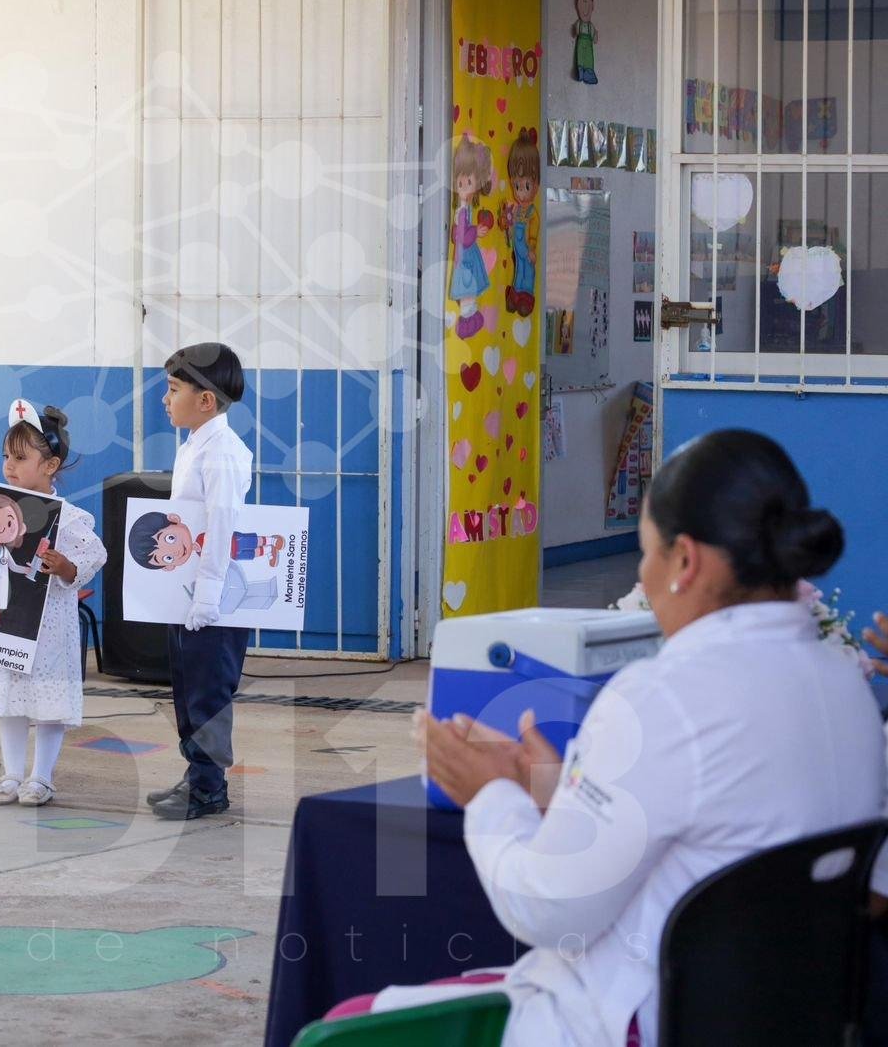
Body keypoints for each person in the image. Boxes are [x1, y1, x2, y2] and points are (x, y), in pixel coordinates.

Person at [341, 430, 884, 1047]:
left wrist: (490, 795)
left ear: (685, 562)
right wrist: (554, 789)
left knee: (345, 1027)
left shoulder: (663, 696)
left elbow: (546, 909)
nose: (642, 576)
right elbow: (711, 825)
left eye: (645, 553)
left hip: (638, 1019)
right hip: (785, 1018)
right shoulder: (844, 683)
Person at [0, 401, 106, 808]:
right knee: (10, 699)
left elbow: (94, 556)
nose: (9, 465)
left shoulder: (68, 517)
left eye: (20, 458)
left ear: (50, 465)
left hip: (49, 628)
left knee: (48, 701)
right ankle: (12, 773)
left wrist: (66, 567)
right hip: (10, 625)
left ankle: (41, 776)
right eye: (7, 456)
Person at [145, 342, 253, 821]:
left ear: (205, 400)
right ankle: (197, 775)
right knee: (188, 689)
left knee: (209, 692)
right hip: (187, 595)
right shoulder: (195, 445)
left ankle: (209, 787)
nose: (165, 399)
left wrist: (207, 596)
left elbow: (221, 525)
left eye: (173, 389)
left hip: (213, 600)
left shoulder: (223, 452)